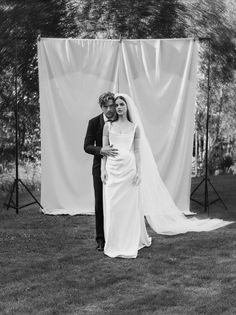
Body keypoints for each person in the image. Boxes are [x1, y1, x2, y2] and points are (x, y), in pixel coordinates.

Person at [101, 93, 233, 259]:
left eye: (122, 104)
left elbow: (136, 151)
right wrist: (103, 170)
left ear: (127, 107)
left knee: (129, 208)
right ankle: (114, 242)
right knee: (113, 208)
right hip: (113, 171)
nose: (119, 108)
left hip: (129, 171)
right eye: (117, 105)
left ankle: (128, 241)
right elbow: (104, 153)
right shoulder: (108, 127)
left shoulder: (135, 128)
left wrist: (139, 172)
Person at [84, 92, 118, 251]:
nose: (110, 109)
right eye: (106, 106)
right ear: (101, 107)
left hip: (120, 167)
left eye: (112, 105)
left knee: (117, 202)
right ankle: (100, 239)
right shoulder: (93, 122)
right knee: (100, 203)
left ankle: (118, 236)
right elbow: (87, 146)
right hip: (100, 167)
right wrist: (101, 150)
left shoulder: (121, 118)